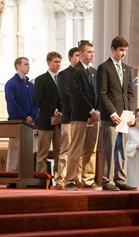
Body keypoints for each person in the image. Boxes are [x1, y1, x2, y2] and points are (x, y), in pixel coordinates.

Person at [97, 36, 137, 191]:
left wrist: (131, 113)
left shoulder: (126, 69)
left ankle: (120, 180)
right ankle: (107, 181)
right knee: (109, 149)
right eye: (121, 50)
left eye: (125, 50)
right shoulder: (104, 67)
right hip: (110, 117)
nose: (123, 53)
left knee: (121, 149)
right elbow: (102, 93)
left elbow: (130, 93)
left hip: (125, 117)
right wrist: (113, 113)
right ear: (113, 49)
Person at [64, 41, 100, 190]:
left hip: (94, 116)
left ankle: (87, 179)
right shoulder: (75, 71)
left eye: (93, 52)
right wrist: (91, 111)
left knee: (90, 149)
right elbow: (78, 95)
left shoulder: (94, 72)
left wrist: (97, 111)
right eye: (89, 52)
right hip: (80, 115)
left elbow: (97, 93)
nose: (92, 54)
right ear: (81, 53)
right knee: (76, 149)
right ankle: (70, 181)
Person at [4, 57, 38, 172]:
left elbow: (36, 104)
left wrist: (32, 116)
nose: (28, 66)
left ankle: (27, 175)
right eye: (26, 64)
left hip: (30, 123)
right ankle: (12, 176)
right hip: (16, 121)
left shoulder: (31, 85)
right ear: (18, 66)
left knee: (29, 150)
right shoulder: (11, 83)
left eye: (28, 64)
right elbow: (12, 103)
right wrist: (24, 117)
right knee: (15, 151)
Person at [34, 52, 62, 181]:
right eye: (55, 62)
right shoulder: (41, 79)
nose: (58, 64)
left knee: (60, 152)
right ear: (48, 63)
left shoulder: (62, 79)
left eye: (59, 62)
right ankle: (41, 178)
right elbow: (40, 100)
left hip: (60, 121)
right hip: (46, 120)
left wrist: (62, 112)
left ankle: (59, 178)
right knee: (42, 153)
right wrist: (54, 111)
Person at [55, 47, 81, 189]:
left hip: (83, 118)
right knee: (66, 150)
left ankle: (77, 179)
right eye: (77, 55)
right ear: (70, 58)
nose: (79, 57)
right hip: (69, 117)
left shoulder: (85, 73)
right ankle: (61, 179)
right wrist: (82, 104)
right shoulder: (63, 75)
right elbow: (65, 95)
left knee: (79, 151)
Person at [126, 108, 139, 188]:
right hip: (133, 159)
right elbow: (125, 147)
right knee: (134, 180)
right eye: (137, 116)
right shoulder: (129, 130)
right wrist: (136, 146)